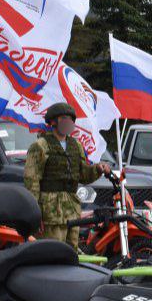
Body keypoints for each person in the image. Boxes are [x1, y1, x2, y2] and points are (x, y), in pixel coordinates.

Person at [23, 103, 110, 246]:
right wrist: (35, 212)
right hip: (50, 212)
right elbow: (31, 181)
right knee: (52, 252)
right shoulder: (40, 146)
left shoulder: (76, 146)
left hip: (72, 210)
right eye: (64, 118)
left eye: (70, 119)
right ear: (53, 122)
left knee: (71, 253)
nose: (68, 123)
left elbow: (83, 175)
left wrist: (97, 169)